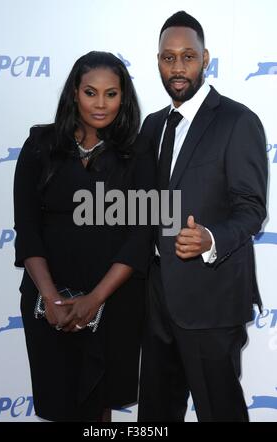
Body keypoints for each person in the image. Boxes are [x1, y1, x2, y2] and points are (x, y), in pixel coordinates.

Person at [138, 11, 268, 422]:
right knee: (155, 415)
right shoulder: (152, 125)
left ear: (205, 58)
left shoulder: (237, 121)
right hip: (155, 299)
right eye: (168, 58)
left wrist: (210, 238)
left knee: (219, 412)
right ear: (158, 61)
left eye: (188, 57)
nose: (178, 68)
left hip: (211, 300)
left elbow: (251, 208)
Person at [13, 51, 154, 422]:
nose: (101, 104)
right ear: (75, 92)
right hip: (49, 301)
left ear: (123, 97)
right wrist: (52, 298)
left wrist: (94, 300)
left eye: (111, 94)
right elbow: (27, 231)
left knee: (99, 409)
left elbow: (141, 237)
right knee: (58, 403)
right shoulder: (39, 146)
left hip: (114, 300)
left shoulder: (138, 154)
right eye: (91, 92)